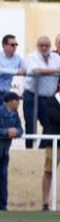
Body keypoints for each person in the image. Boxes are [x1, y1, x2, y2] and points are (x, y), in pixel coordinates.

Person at [24, 35, 60, 146]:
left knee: (49, 124)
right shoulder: (32, 56)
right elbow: (37, 71)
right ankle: (29, 150)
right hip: (32, 96)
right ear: (37, 46)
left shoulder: (56, 57)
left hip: (49, 98)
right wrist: (56, 71)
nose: (44, 48)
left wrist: (50, 71)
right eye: (41, 45)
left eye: (46, 45)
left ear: (50, 46)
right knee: (30, 124)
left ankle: (41, 149)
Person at [0, 34, 23, 116]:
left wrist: (19, 71)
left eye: (16, 45)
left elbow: (25, 69)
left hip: (6, 93)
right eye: (12, 45)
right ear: (4, 45)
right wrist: (16, 71)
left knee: (6, 117)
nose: (15, 47)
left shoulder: (18, 58)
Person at [39, 79, 60, 211]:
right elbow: (55, 118)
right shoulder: (50, 101)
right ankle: (45, 202)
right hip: (54, 142)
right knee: (49, 171)